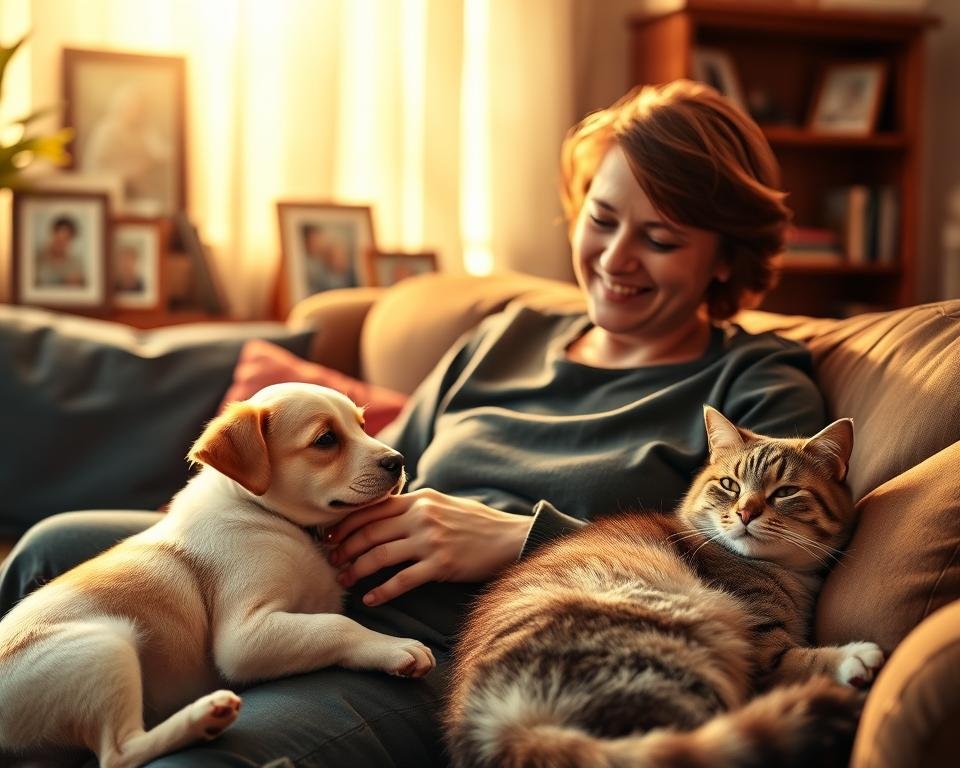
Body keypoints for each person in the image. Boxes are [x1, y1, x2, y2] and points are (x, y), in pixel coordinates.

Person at [0, 80, 825, 767]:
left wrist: (518, 537)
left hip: (461, 651)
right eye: (602, 220)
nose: (615, 259)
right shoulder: (506, 336)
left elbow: (757, 571)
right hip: (322, 589)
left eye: (661, 238)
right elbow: (384, 467)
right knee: (51, 546)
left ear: (725, 254)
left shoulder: (753, 383)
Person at [302, 223, 357, 293]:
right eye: (333, 257)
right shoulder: (317, 273)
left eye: (340, 256)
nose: (319, 243)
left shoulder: (351, 275)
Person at [35, 215, 87, 288]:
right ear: (52, 234)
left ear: (71, 240)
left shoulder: (76, 264)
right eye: (58, 238)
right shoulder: (37, 258)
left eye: (66, 239)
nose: (61, 244)